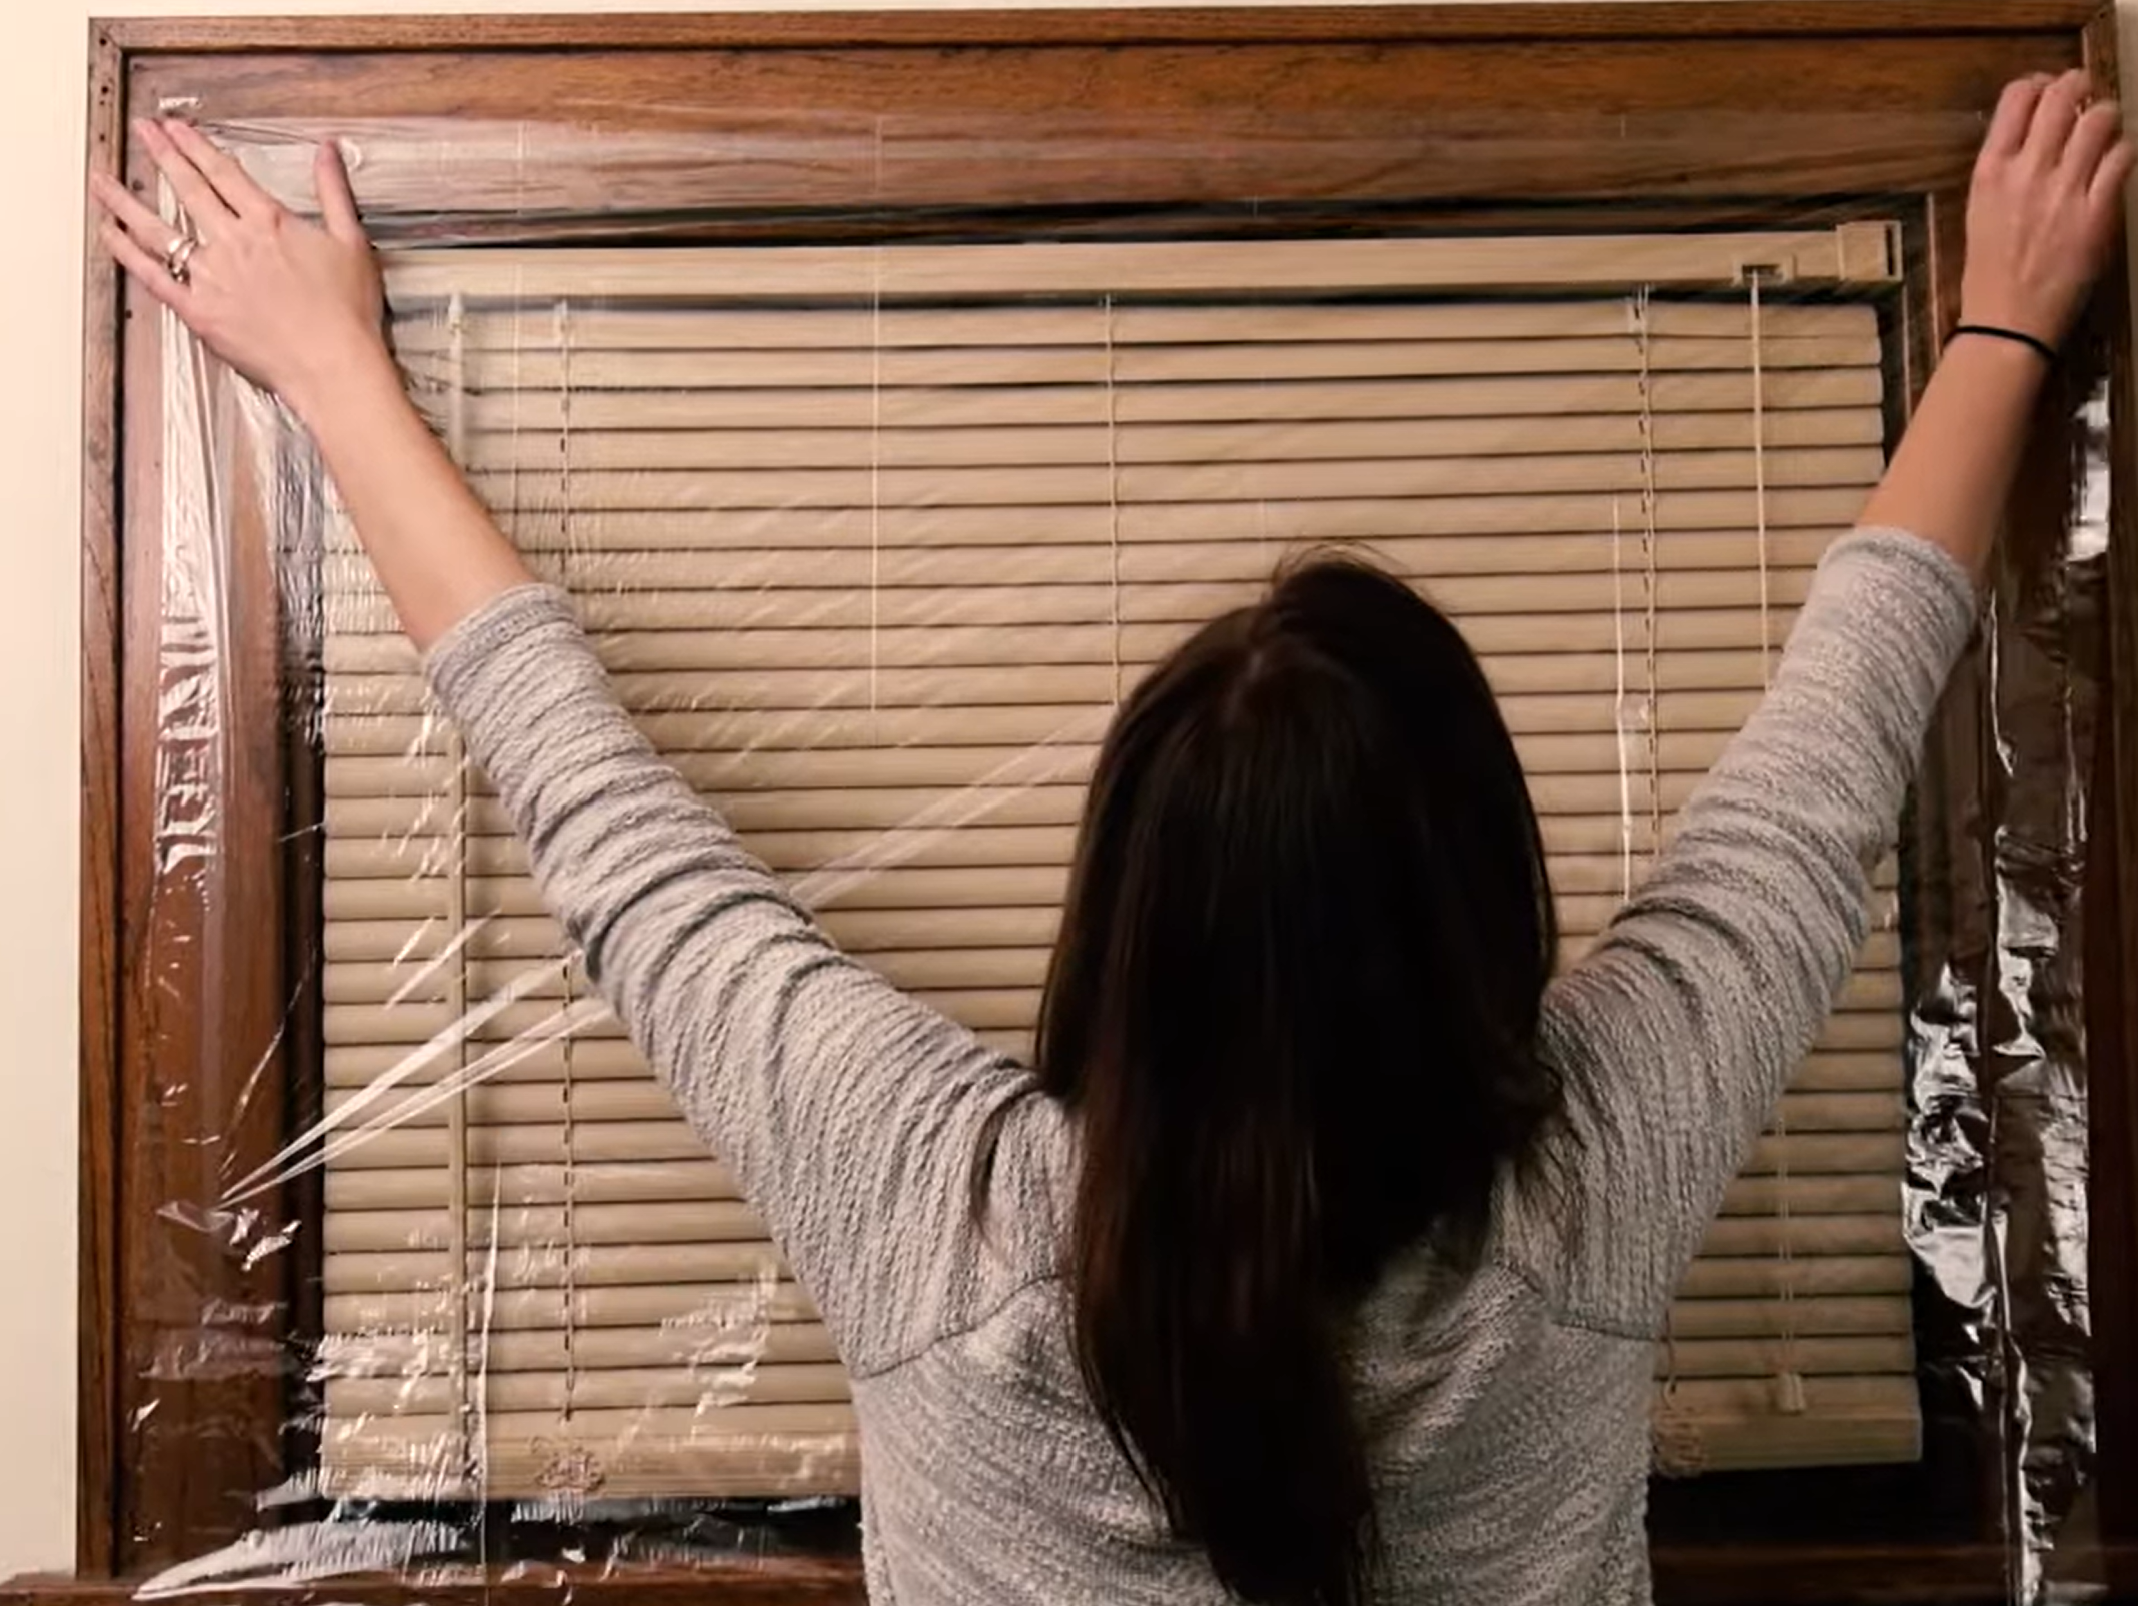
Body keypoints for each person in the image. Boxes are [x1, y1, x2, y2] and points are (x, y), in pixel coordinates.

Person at [93, 69, 2128, 1606]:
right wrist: (2005, 329)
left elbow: (610, 832)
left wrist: (337, 374)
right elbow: (1823, 763)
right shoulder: (1580, 1196)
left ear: (1113, 926)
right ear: (1483, 915)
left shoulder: (938, 1216)